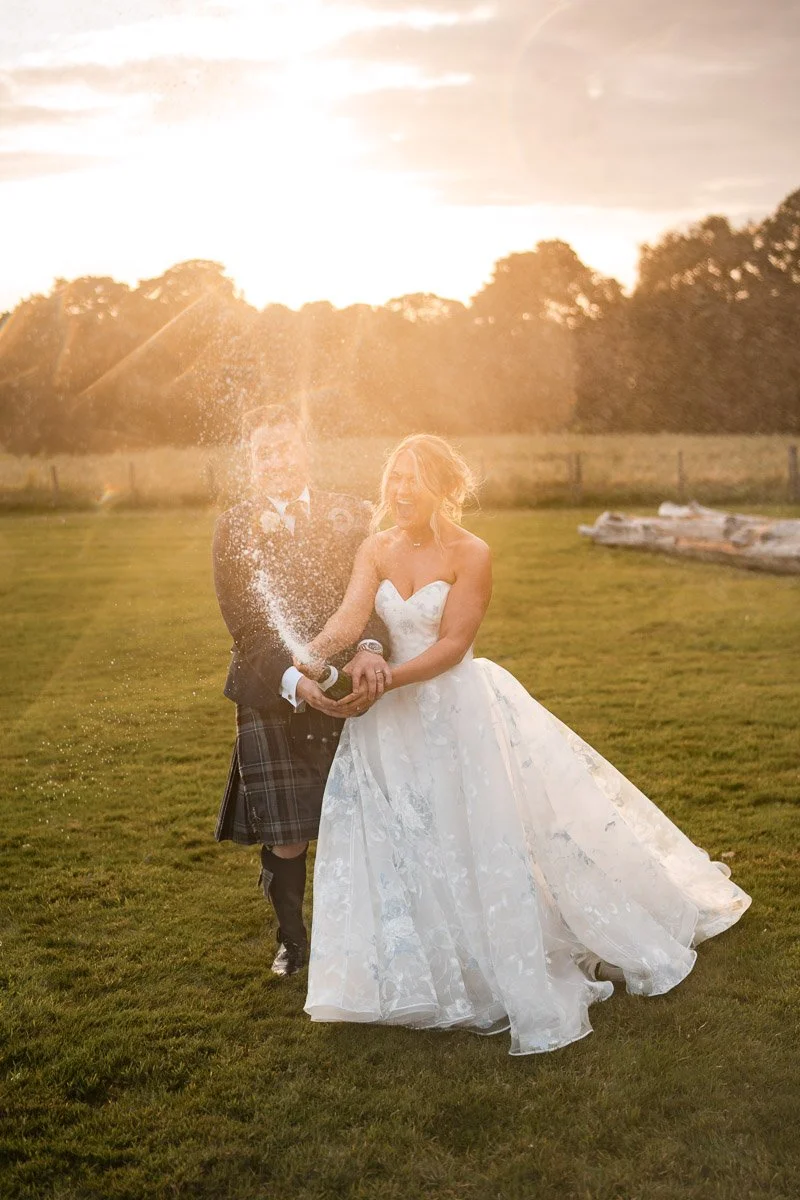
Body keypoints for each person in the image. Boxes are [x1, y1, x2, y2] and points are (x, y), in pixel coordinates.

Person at [296, 433, 751, 1054]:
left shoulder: (472, 552)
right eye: (394, 478)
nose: (400, 491)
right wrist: (307, 662)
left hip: (453, 712)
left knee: (473, 835)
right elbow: (350, 620)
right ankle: (426, 969)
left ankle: (512, 957)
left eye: (414, 479)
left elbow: (454, 643)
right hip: (387, 725)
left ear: (445, 488)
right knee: (405, 837)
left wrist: (387, 679)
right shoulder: (374, 547)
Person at [213, 404, 391, 977]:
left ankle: (371, 933)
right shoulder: (234, 526)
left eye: (285, 447)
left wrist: (369, 648)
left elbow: (377, 598)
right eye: (263, 451)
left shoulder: (351, 513)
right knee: (288, 834)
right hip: (270, 692)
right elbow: (245, 625)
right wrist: (294, 682)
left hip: (348, 690)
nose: (274, 460)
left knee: (365, 818)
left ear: (306, 450)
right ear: (250, 459)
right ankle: (293, 942)